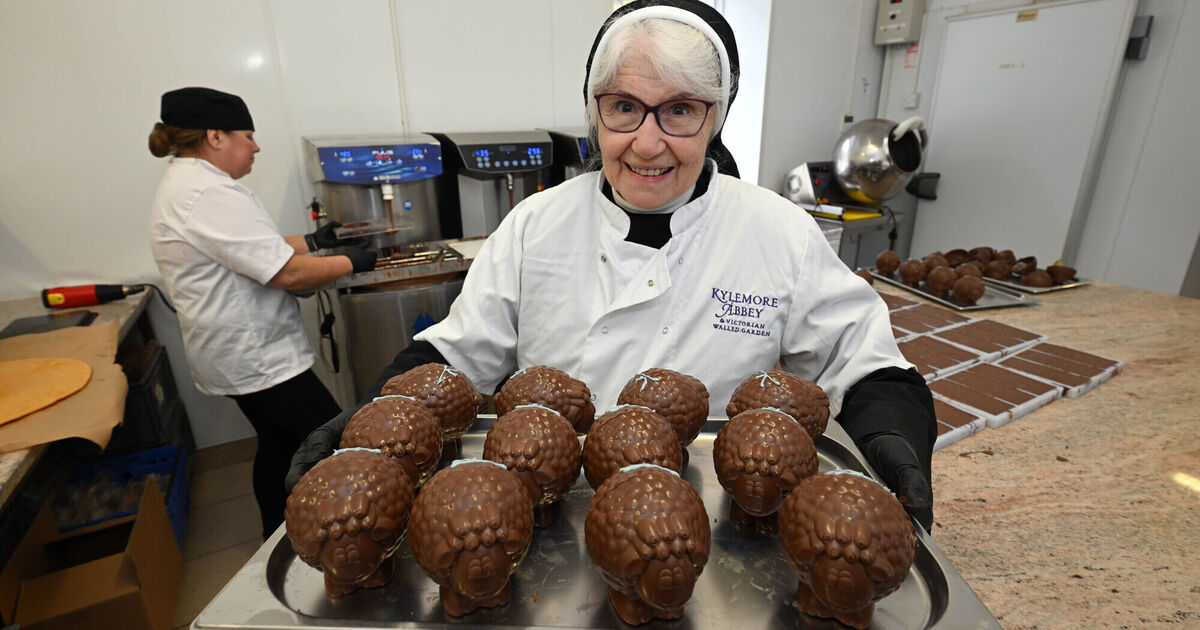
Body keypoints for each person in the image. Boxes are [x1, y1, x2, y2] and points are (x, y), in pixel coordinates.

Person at [287, 0, 937, 529]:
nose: (647, 142)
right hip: (544, 519)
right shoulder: (534, 226)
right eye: (624, 107)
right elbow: (457, 357)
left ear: (717, 119)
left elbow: (873, 370)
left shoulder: (777, 231)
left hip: (718, 526)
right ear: (594, 112)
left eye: (680, 109)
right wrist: (377, 411)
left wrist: (891, 437)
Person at [147, 86, 378, 538]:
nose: (255, 146)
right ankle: (355, 531)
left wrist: (317, 243)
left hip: (234, 353)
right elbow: (288, 274)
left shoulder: (189, 185)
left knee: (278, 444)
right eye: (247, 136)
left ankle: (276, 534)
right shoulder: (208, 194)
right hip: (257, 360)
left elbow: (254, 248)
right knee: (333, 438)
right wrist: (355, 262)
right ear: (215, 136)